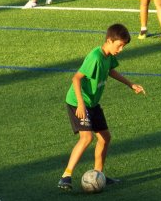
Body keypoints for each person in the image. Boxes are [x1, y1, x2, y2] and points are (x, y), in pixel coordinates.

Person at [58, 23, 145, 190]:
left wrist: (130, 84)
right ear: (109, 40)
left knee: (105, 137)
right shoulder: (95, 57)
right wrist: (81, 104)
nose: (121, 50)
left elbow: (111, 71)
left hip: (92, 103)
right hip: (78, 102)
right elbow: (76, 79)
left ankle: (99, 174)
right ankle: (66, 176)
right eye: (119, 45)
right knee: (87, 138)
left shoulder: (108, 56)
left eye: (123, 46)